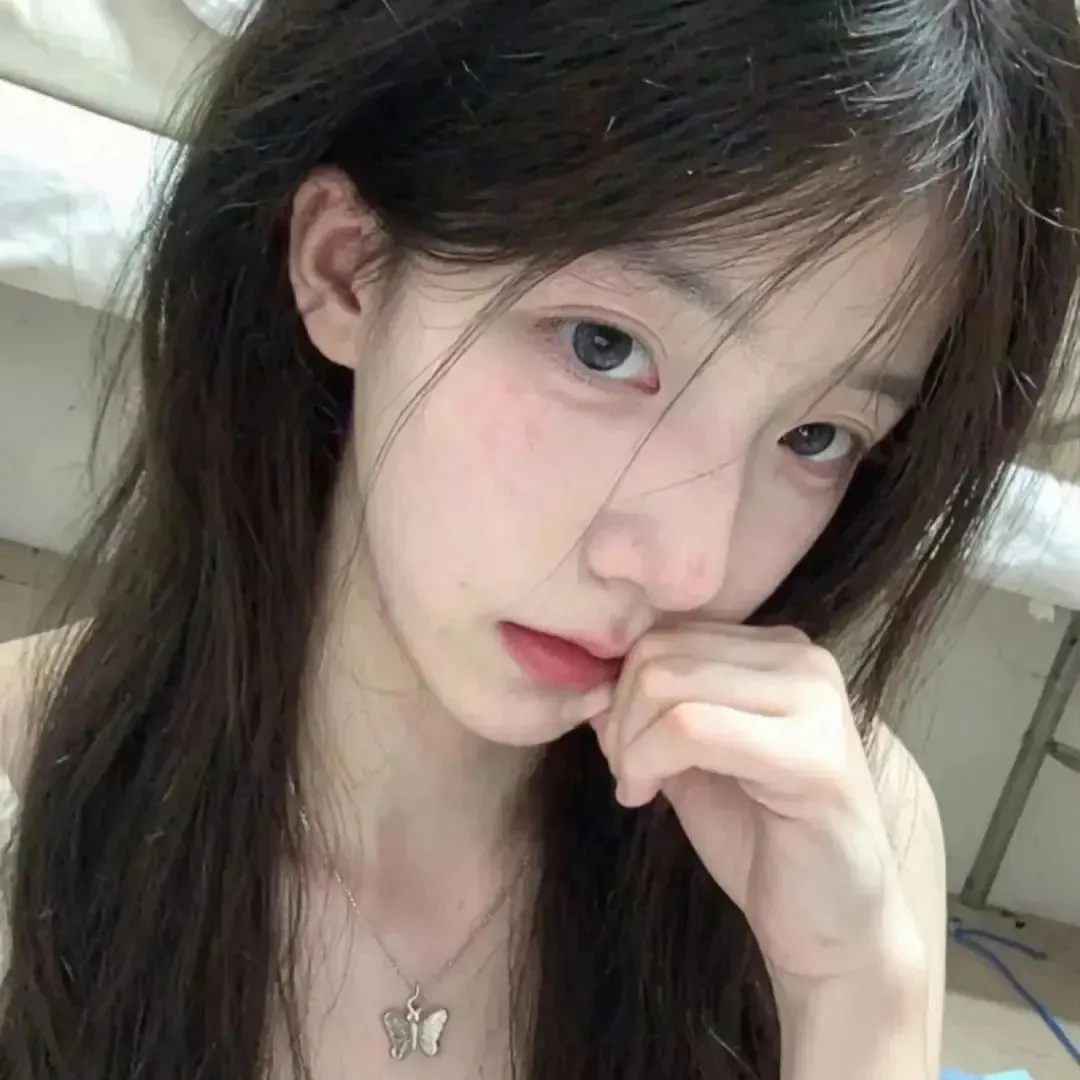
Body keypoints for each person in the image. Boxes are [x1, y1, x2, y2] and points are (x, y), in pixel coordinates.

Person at [1, 0, 1079, 1077]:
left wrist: (853, 1000)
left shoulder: (844, 839)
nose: (690, 567)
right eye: (604, 347)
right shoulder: (27, 795)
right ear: (347, 265)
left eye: (817, 436)